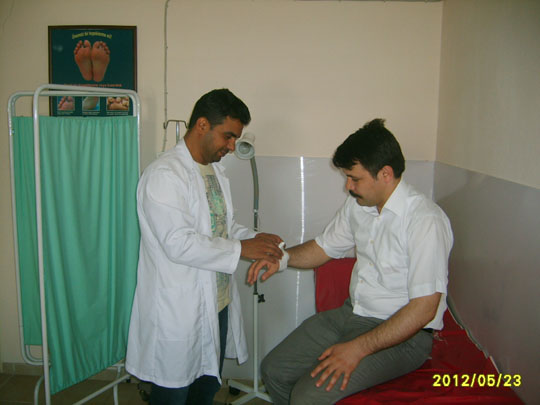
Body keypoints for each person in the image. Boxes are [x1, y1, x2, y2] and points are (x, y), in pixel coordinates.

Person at [248, 119, 453, 405]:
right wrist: (282, 259)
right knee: (274, 370)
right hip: (352, 314)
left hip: (405, 335)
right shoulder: (359, 206)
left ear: (385, 174)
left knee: (308, 396)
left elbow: (424, 309)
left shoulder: (425, 220)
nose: (348, 186)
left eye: (355, 179)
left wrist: (357, 348)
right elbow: (323, 247)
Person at [126, 89, 283, 405]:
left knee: (206, 389)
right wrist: (242, 249)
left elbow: (222, 227)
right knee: (173, 394)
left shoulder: (214, 172)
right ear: (202, 125)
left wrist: (256, 239)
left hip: (217, 303)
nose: (232, 146)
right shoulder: (164, 175)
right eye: (228, 136)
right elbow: (179, 243)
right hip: (179, 309)